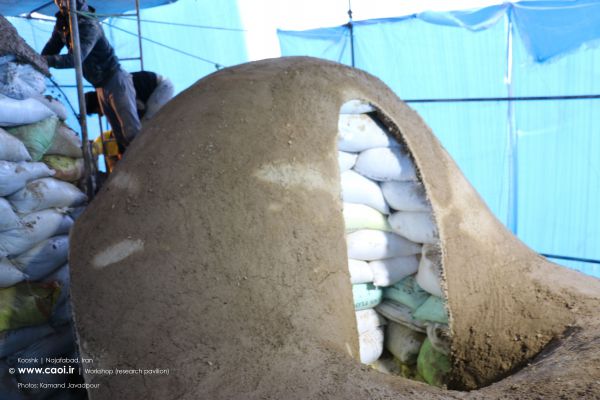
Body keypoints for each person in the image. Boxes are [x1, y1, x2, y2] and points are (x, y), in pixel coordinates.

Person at [41, 0, 141, 154]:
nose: (60, 3)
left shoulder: (89, 24)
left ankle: (148, 163)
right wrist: (38, 59)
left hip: (115, 80)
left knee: (131, 132)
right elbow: (51, 47)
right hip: (100, 86)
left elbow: (76, 59)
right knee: (120, 136)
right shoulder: (64, 23)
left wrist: (47, 61)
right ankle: (133, 168)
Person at [85, 70, 174, 121]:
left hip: (162, 87)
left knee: (148, 122)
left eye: (97, 111)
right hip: (156, 91)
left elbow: (141, 107)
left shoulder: (114, 95)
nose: (101, 114)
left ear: (97, 104)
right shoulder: (108, 93)